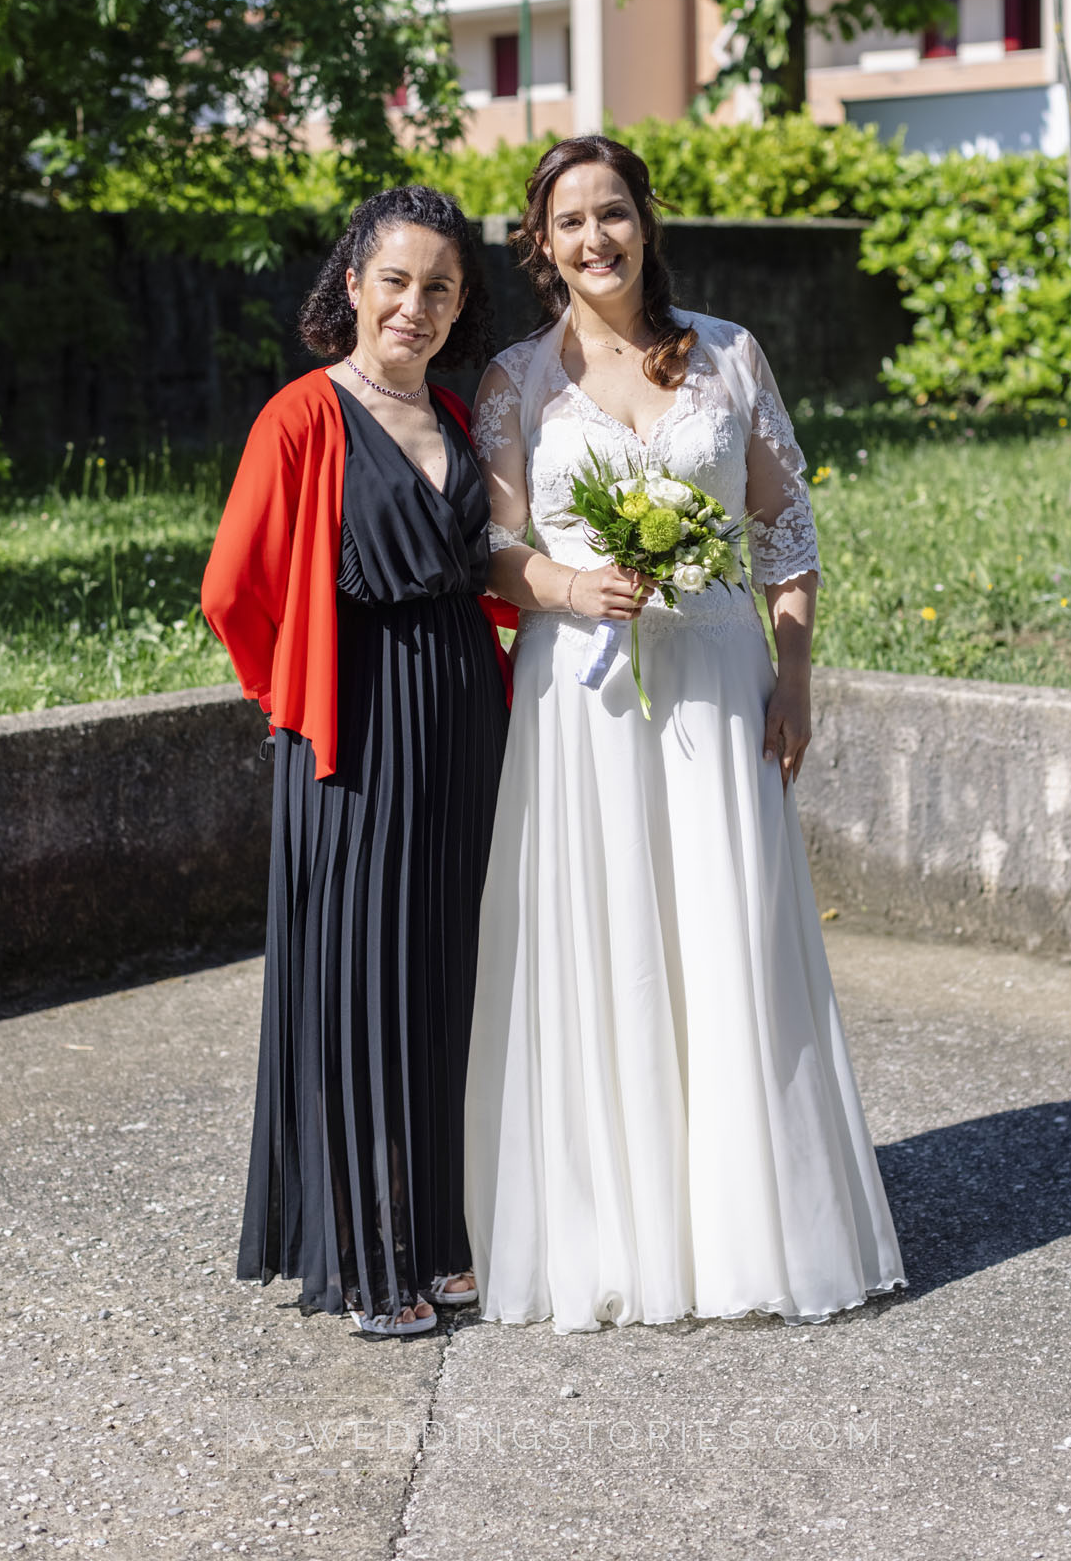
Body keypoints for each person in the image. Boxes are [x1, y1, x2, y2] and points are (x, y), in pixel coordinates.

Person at [464, 135, 905, 1332]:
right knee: (602, 937)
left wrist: (794, 671)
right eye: (569, 222)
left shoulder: (726, 352)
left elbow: (785, 527)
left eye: (613, 212)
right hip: (582, 694)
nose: (594, 237)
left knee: (727, 936)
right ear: (540, 244)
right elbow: (496, 548)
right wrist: (565, 588)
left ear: (646, 222)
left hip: (715, 675)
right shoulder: (515, 378)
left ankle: (745, 1228)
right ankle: (616, 1227)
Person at [202, 185, 512, 1338]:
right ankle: (368, 1254)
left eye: (439, 287)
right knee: (361, 985)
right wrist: (289, 694)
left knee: (444, 975)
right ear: (352, 285)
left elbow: (491, 565)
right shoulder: (302, 414)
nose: (415, 304)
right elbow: (232, 588)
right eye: (396, 280)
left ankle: (440, 1234)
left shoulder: (456, 410)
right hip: (355, 731)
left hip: (465, 719)